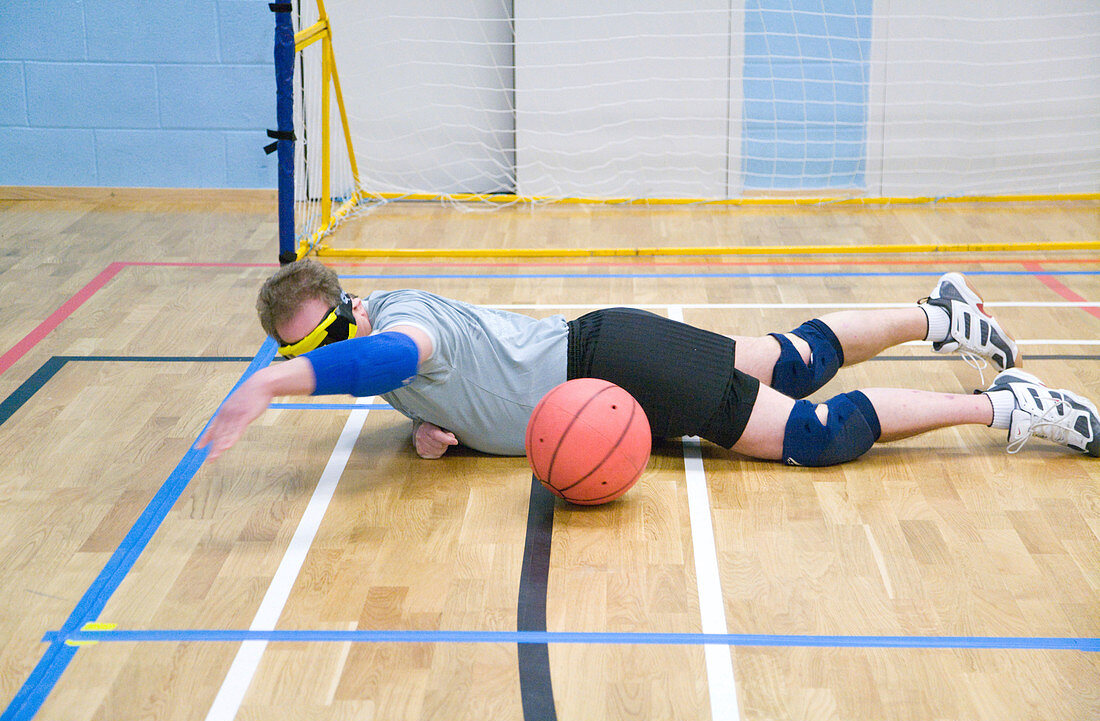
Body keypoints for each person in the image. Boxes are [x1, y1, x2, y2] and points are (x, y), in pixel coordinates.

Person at [198, 259, 1099, 464]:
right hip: (607, 346)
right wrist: (443, 432)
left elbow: (398, 356)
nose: (314, 358)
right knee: (789, 362)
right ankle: (939, 315)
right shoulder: (384, 356)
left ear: (346, 314)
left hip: (612, 368)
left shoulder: (400, 330)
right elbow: (426, 390)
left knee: (815, 433)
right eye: (292, 353)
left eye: (314, 344)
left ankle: (1007, 406)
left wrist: (278, 384)